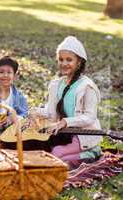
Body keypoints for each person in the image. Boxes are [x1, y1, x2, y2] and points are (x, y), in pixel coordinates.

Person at [30, 36, 102, 166]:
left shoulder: (87, 86)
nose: (64, 63)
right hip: (64, 134)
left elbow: (90, 117)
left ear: (79, 62)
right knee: (40, 150)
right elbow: (52, 112)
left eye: (69, 60)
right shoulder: (56, 85)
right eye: (61, 59)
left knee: (56, 154)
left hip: (82, 135)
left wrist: (65, 122)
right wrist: (35, 112)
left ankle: (92, 153)